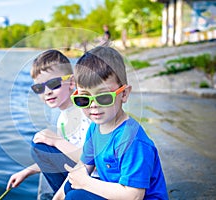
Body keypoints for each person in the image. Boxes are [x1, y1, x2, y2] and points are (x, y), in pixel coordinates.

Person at [53, 46, 168, 200]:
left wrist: (86, 183)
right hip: (114, 193)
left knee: (77, 196)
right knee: (71, 187)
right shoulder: (95, 128)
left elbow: (134, 195)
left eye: (104, 97)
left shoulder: (132, 140)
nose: (93, 105)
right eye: (84, 99)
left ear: (124, 94)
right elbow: (82, 167)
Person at [6, 49, 91, 198]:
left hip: (96, 180)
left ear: (71, 82)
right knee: (41, 147)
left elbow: (90, 160)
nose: (47, 92)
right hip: (79, 174)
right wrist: (27, 171)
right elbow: (63, 155)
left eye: (53, 83)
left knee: (40, 147)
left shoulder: (84, 113)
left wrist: (55, 140)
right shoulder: (64, 116)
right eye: (39, 88)